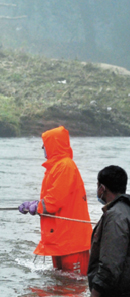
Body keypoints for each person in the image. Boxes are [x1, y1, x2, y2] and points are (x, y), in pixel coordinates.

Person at [18, 126, 92, 275]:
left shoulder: (65, 166)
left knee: (73, 287)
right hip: (61, 238)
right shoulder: (56, 167)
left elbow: (53, 201)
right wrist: (35, 204)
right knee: (60, 284)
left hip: (72, 242)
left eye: (44, 145)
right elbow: (54, 197)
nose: (43, 149)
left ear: (53, 144)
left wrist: (36, 206)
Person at [88, 165, 130, 297]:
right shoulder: (125, 209)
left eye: (97, 186)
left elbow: (110, 265)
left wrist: (95, 293)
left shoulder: (115, 216)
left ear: (102, 188)